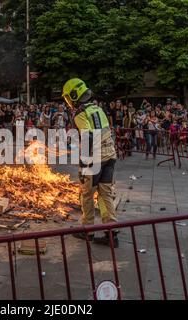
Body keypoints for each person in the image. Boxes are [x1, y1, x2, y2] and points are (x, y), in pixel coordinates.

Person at [62, 78, 118, 247]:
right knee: (105, 193)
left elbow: (88, 137)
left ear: (73, 95)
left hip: (95, 159)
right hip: (110, 155)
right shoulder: (97, 109)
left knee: (86, 194)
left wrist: (83, 163)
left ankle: (87, 230)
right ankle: (111, 233)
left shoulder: (80, 113)